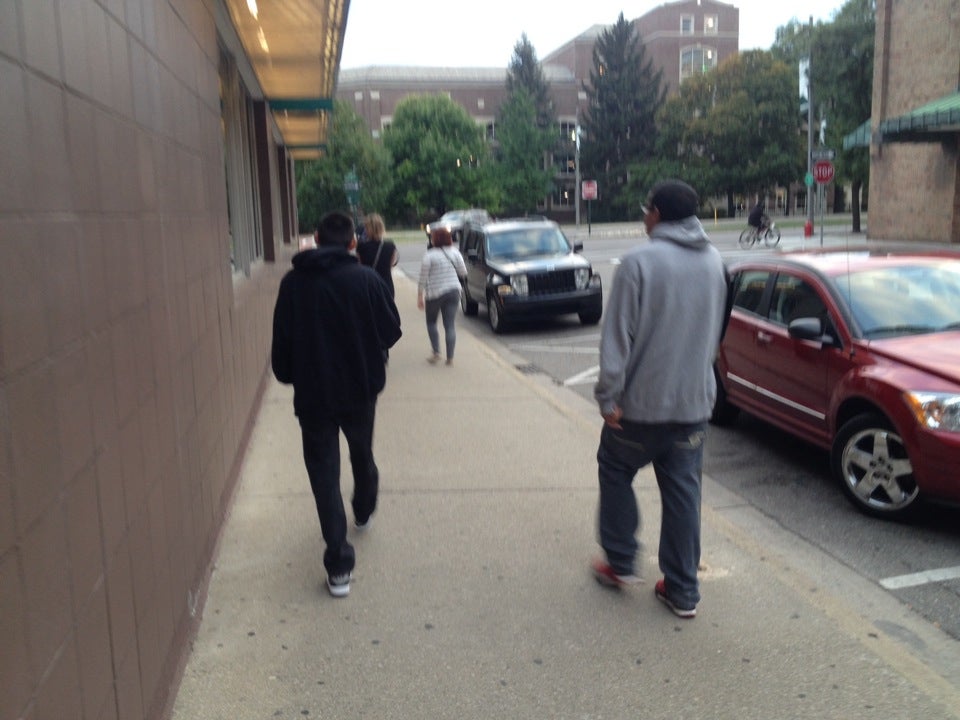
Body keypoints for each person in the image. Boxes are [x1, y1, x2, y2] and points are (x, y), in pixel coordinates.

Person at [591, 179, 728, 620]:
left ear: (657, 214)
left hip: (640, 409)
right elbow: (716, 332)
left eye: (645, 210)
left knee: (615, 468)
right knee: (684, 493)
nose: (643, 217)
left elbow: (617, 341)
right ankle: (683, 590)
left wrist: (608, 397)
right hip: (692, 405)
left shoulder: (638, 263)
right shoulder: (715, 262)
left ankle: (620, 560)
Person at [271, 210, 402, 598]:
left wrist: (291, 373)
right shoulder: (364, 279)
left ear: (314, 237)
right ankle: (363, 506)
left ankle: (339, 564)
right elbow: (391, 331)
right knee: (361, 454)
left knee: (323, 476)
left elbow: (281, 348)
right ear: (352, 244)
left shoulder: (293, 284)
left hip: (313, 396)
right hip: (360, 391)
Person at [417, 226, 467, 365]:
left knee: (431, 322)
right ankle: (450, 358)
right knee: (449, 324)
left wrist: (420, 296)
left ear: (434, 240)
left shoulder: (429, 255)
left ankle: (436, 352)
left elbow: (422, 278)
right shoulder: (455, 253)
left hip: (434, 293)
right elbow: (463, 272)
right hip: (453, 290)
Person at [356, 212, 398, 298]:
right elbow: (390, 266)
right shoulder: (390, 246)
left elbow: (359, 266)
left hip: (368, 286)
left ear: (368, 229)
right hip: (386, 285)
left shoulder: (361, 247)